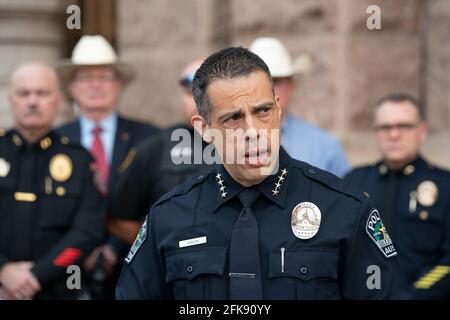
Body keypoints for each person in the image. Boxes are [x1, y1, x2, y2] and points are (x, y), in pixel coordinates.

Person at [115, 47, 410, 299]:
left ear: (279, 109)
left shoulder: (344, 209)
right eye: (233, 118)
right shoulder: (170, 216)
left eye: (263, 111)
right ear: (203, 129)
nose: (253, 132)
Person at [56, 35, 159, 299]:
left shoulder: (149, 138)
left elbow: (156, 203)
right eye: (85, 77)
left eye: (104, 77)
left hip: (135, 268)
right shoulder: (56, 141)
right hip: (64, 275)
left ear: (119, 83)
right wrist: (82, 249)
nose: (95, 85)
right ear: (71, 86)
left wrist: (114, 246)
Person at [0, 62, 104, 299]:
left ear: (58, 100)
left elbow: (88, 231)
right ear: (11, 99)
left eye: (42, 93)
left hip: (56, 289)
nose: (33, 101)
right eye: (24, 93)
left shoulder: (78, 159)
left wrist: (35, 276)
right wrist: (3, 270)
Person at [344, 93, 450, 299]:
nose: (394, 135)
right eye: (385, 127)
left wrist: (412, 295)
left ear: (422, 131)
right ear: (375, 133)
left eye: (404, 126)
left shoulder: (445, 186)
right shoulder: (354, 183)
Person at [107, 58, 211, 244]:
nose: (199, 100)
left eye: (208, 92)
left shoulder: (246, 145)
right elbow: (119, 218)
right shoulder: (154, 149)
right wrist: (158, 249)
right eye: (190, 92)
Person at [250, 37, 350, 177]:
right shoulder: (228, 143)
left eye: (275, 81)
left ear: (291, 86)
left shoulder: (324, 146)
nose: (268, 90)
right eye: (258, 83)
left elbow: (343, 196)